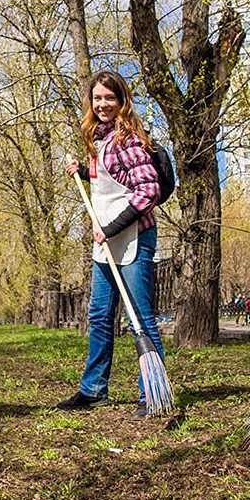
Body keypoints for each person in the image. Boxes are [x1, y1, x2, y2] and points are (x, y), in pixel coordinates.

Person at [57, 70, 164, 418]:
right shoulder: (98, 139)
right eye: (97, 98)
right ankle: (93, 390)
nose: (102, 104)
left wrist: (112, 227)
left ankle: (153, 392)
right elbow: (110, 184)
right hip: (106, 240)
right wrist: (82, 172)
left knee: (140, 317)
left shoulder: (130, 139)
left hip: (134, 237)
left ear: (122, 101)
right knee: (100, 315)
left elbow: (149, 191)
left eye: (109, 98)